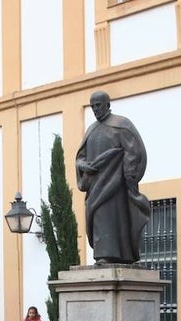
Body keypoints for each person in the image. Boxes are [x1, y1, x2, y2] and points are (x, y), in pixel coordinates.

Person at [75, 91, 150, 265]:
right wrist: (83, 165)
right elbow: (80, 156)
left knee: (115, 218)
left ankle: (112, 255)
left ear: (108, 104)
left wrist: (128, 175)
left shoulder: (121, 125)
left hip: (116, 185)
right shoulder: (91, 130)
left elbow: (135, 151)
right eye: (93, 106)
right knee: (99, 217)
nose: (95, 109)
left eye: (98, 105)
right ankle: (105, 254)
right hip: (95, 186)